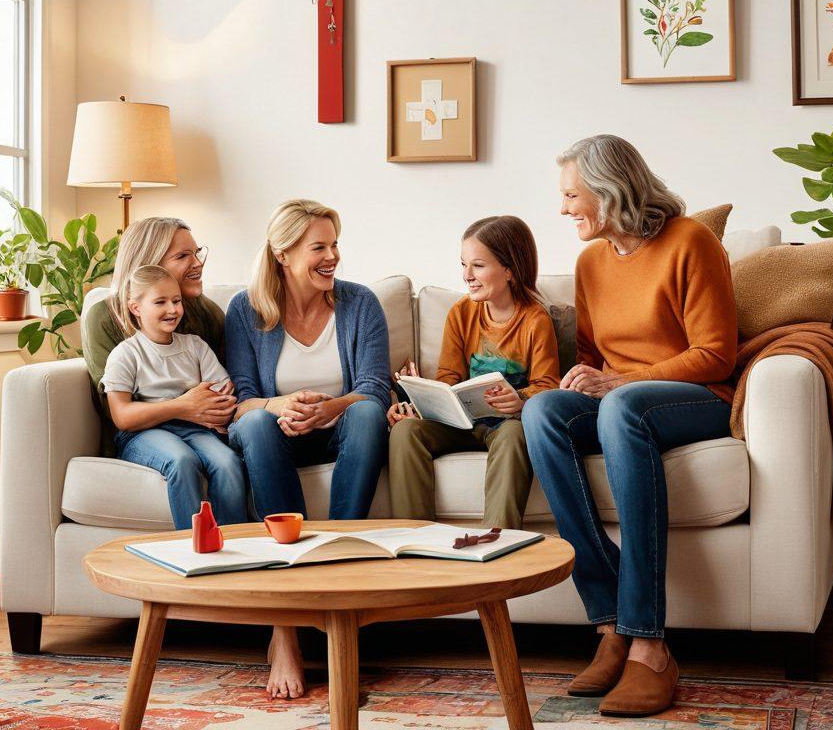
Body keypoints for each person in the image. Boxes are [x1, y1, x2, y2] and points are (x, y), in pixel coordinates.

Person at [521, 135, 737, 718]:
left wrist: (616, 384)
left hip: (696, 399)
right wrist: (583, 379)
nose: (563, 210)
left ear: (609, 190)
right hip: (624, 402)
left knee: (623, 405)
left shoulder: (690, 241)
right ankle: (611, 620)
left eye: (571, 195)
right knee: (542, 411)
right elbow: (594, 356)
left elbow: (716, 354)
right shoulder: (590, 262)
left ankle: (650, 643)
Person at [225, 199, 390, 701]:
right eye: (319, 246)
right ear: (283, 253)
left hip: (338, 426)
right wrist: (281, 406)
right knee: (254, 425)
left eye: (334, 244)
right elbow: (239, 399)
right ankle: (284, 631)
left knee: (364, 412)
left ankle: (339, 581)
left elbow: (375, 389)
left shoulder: (360, 303)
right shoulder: (245, 309)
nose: (332, 256)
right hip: (275, 434)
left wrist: (331, 408)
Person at [388, 215, 560, 528]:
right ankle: (413, 540)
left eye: (478, 265)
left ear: (509, 270)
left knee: (514, 434)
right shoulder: (461, 313)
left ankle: (497, 538)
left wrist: (520, 399)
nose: (467, 275)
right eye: (464, 264)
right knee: (405, 431)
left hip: (505, 425)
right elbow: (449, 378)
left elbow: (548, 384)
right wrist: (424, 404)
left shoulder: (536, 320)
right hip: (462, 423)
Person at [101, 265, 248, 528]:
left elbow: (224, 391)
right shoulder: (126, 354)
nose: (173, 309)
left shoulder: (194, 346)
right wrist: (183, 405)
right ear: (136, 308)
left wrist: (215, 411)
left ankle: (233, 544)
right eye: (160, 302)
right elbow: (122, 416)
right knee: (182, 460)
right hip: (143, 434)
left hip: (196, 429)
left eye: (177, 300)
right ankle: (191, 545)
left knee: (227, 462)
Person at [84, 217, 234, 456]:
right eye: (182, 256)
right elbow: (115, 409)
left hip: (204, 434)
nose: (197, 263)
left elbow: (223, 390)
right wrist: (183, 406)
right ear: (150, 265)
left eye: (197, 253)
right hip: (142, 439)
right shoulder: (103, 317)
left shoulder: (209, 313)